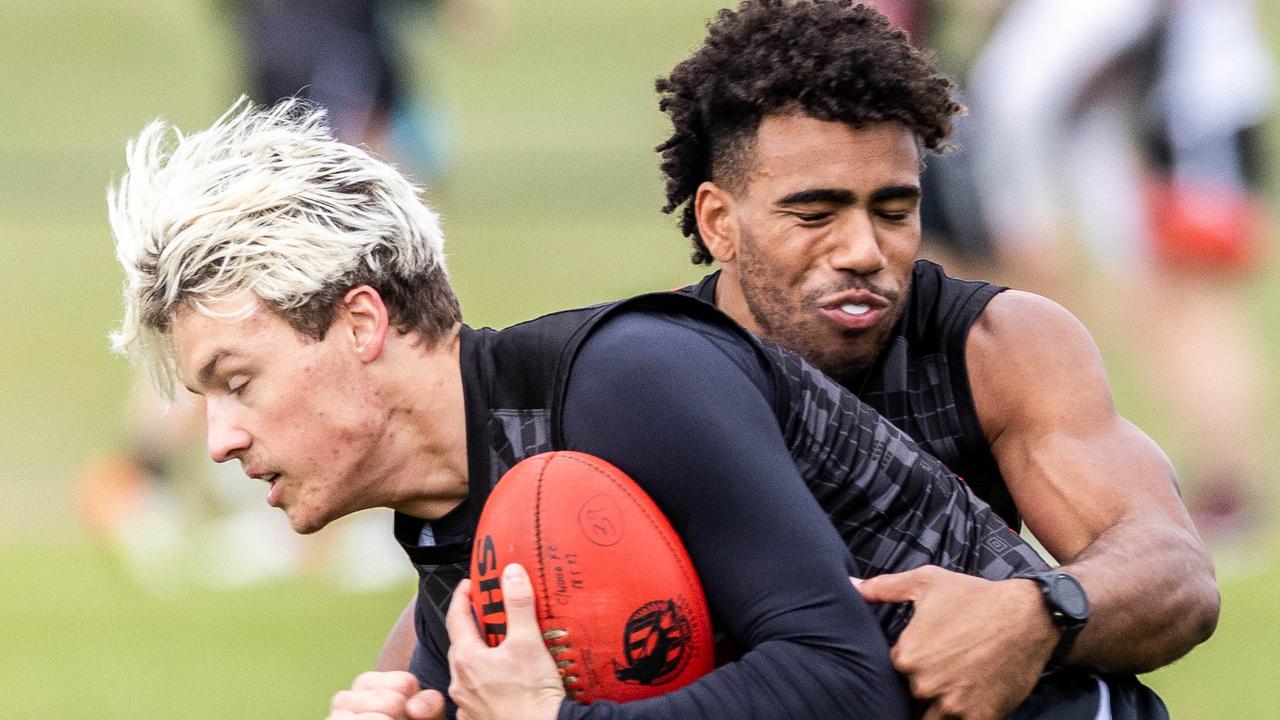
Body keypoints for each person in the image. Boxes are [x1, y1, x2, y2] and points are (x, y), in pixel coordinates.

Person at [109, 100, 1164, 720]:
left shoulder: (625, 377)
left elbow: (841, 681)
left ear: (360, 323)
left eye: (235, 381)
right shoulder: (456, 519)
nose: (220, 438)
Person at [652, 0, 1216, 717]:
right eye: (815, 214)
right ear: (718, 222)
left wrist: (1035, 613)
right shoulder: (654, 364)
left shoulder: (996, 345)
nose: (863, 253)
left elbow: (1175, 574)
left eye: (893, 211)